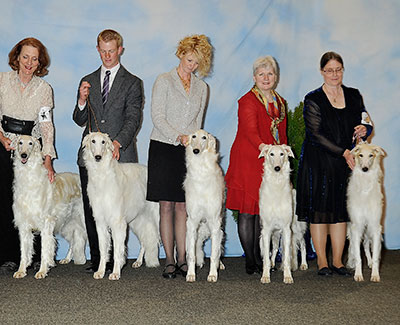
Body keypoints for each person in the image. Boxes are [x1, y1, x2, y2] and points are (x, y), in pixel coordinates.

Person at [296, 51, 373, 276]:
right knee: (320, 213)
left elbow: (365, 121)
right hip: (319, 161)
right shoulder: (313, 99)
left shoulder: (354, 94)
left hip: (345, 162)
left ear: (343, 70)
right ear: (322, 72)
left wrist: (364, 129)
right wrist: (344, 152)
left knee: (340, 211)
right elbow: (315, 134)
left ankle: (338, 262)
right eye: (329, 70)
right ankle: (322, 262)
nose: (334, 74)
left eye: (338, 69)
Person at [73, 29, 143, 273]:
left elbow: (133, 119)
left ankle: (117, 261)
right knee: (94, 213)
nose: (107, 55)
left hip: (119, 159)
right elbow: (80, 119)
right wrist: (81, 101)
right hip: (91, 159)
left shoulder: (133, 82)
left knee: (117, 214)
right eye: (103, 51)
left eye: (111, 51)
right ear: (98, 50)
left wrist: (117, 142)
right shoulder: (88, 79)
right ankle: (99, 260)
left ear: (120, 50)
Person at [146, 34, 212, 279]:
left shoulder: (202, 88)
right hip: (164, 147)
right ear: (181, 54)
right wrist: (179, 137)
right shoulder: (163, 81)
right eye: (189, 59)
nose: (191, 65)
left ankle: (184, 258)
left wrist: (192, 141)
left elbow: (198, 123)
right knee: (166, 206)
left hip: (188, 153)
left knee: (184, 205)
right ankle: (170, 260)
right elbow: (157, 116)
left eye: (196, 63)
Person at [225, 56, 288, 274]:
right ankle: (251, 260)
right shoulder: (247, 101)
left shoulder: (280, 102)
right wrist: (265, 148)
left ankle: (261, 256)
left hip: (271, 162)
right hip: (249, 158)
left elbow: (283, 134)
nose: (266, 78)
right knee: (248, 211)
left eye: (270, 74)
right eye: (261, 74)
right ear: (254, 77)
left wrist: (282, 156)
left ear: (276, 77)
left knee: (263, 211)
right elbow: (250, 131)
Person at [0, 37, 56, 272]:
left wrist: (48, 157)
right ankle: (6, 255)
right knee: (4, 199)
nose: (29, 63)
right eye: (25, 57)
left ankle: (28, 257)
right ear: (17, 57)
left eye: (35, 59)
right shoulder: (2, 80)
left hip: (31, 149)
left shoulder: (44, 89)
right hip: (3, 143)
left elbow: (46, 125)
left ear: (40, 62)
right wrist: (2, 137)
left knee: (31, 202)